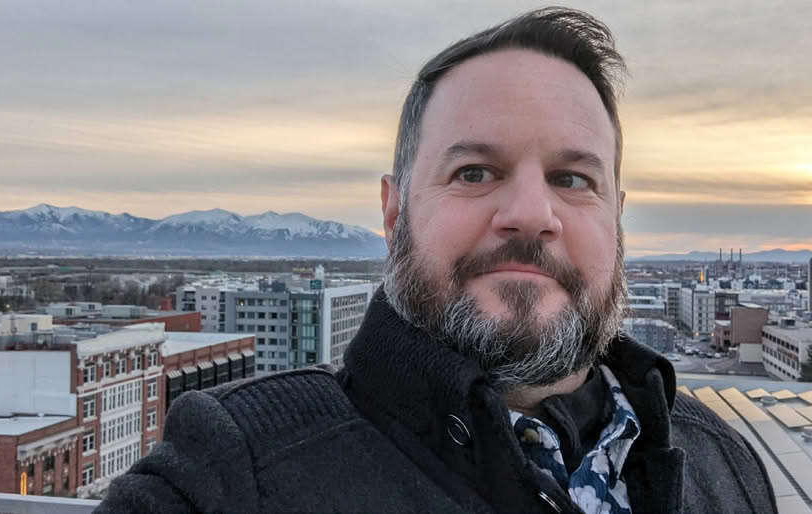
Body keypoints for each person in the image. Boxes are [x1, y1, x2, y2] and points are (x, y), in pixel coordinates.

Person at [97, 7, 776, 513]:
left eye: (574, 179)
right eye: (476, 172)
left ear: (616, 219)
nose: (532, 213)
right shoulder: (239, 472)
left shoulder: (718, 462)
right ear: (394, 215)